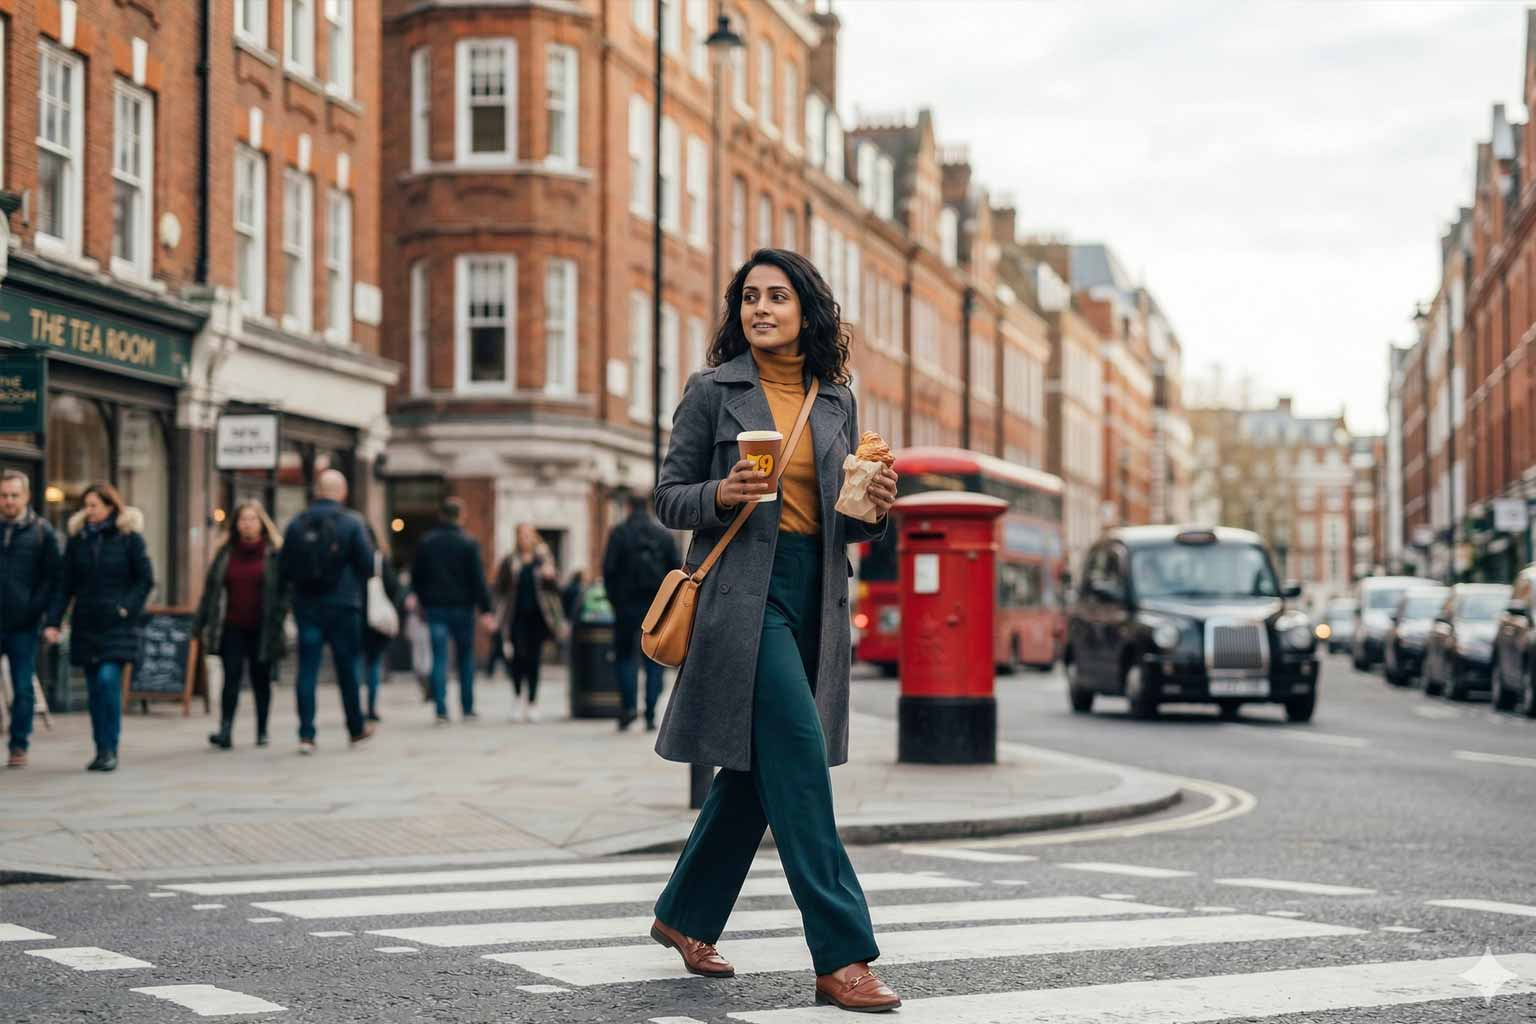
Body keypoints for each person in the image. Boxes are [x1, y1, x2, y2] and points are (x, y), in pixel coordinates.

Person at [646, 249, 901, 1012]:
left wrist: (876, 504)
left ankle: (683, 913)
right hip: (739, 600)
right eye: (750, 297)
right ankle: (843, 955)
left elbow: (847, 527)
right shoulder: (711, 392)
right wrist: (720, 493)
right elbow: (668, 497)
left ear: (806, 311)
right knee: (799, 764)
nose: (761, 309)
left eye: (778, 297)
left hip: (813, 595)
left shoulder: (837, 401)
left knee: (759, 775)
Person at [46, 483, 155, 774]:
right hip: (86, 623)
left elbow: (145, 579)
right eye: (86, 506)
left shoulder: (129, 538)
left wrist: (126, 607)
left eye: (94, 505)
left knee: (108, 681)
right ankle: (100, 748)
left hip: (117, 623)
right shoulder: (78, 539)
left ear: (110, 506)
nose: (89, 511)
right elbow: (65, 585)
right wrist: (54, 622)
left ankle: (110, 748)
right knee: (95, 689)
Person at [279, 468, 374, 755]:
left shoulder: (297, 523)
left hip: (307, 605)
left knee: (307, 669)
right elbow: (368, 566)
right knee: (347, 668)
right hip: (344, 606)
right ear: (342, 492)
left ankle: (306, 735)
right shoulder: (352, 522)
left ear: (317, 491)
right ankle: (355, 728)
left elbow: (284, 567)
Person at [193, 500, 287, 750]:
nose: (247, 524)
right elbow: (211, 591)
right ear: (235, 524)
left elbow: (284, 591)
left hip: (262, 627)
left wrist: (279, 617)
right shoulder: (225, 554)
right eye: (243, 519)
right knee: (231, 678)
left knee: (261, 679)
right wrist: (199, 624)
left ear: (262, 523)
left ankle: (262, 730)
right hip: (231, 626)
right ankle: (225, 729)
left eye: (252, 519)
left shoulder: (273, 553)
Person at [408, 498, 494, 724]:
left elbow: (417, 576)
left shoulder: (427, 542)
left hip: (435, 608)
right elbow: (478, 580)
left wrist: (421, 599)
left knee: (440, 658)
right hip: (463, 608)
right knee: (466, 658)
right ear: (462, 515)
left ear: (441, 515)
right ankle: (467, 708)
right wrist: (486, 609)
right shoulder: (468, 543)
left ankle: (441, 709)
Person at [601, 490, 680, 732]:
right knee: (654, 659)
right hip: (655, 605)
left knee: (624, 657)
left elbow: (608, 571)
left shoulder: (619, 533)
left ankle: (628, 709)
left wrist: (615, 601)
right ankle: (650, 712)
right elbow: (676, 572)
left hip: (625, 605)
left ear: (627, 507)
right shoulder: (663, 536)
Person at [1, 470, 62, 769]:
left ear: (25, 496)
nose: (8, 501)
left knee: (22, 686)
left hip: (23, 623)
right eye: (4, 495)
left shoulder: (42, 532)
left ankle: (18, 743)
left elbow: (54, 579)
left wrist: (46, 615)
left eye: (14, 495)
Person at [493, 525, 565, 722]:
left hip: (538, 618)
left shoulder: (543, 560)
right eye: (521, 535)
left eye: (528, 535)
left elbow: (557, 589)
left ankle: (533, 702)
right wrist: (495, 616)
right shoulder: (510, 561)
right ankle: (517, 699)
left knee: (533, 660)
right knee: (517, 659)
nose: (524, 538)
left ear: (533, 537)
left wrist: (550, 576)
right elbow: (499, 589)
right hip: (515, 617)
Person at [361, 520, 406, 723]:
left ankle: (354, 706)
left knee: (355, 663)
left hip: (354, 617)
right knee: (373, 663)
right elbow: (395, 589)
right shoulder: (379, 559)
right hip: (376, 619)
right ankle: (370, 707)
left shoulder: (346, 559)